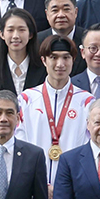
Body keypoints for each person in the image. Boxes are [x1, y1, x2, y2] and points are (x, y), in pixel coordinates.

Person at [20, 35, 89, 190]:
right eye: (54, 57)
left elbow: (88, 149)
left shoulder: (87, 102)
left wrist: (67, 185)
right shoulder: (26, 100)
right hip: (33, 187)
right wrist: (38, 183)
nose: (60, 64)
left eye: (66, 57)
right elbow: (20, 146)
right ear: (44, 60)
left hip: (73, 188)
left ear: (73, 60)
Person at [0, 7, 46, 96]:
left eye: (21, 30)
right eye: (10, 30)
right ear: (2, 34)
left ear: (30, 34)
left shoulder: (44, 68)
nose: (16, 36)